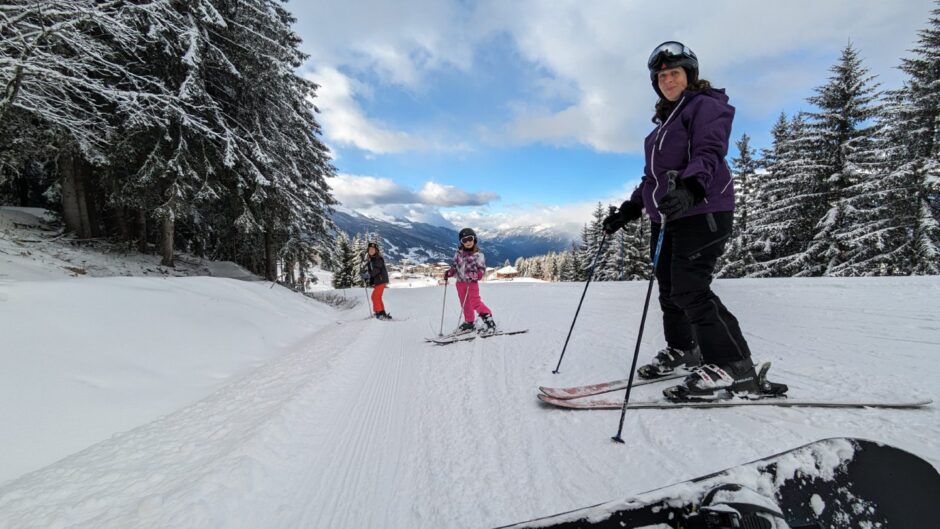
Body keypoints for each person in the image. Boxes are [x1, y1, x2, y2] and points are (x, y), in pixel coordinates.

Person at [602, 41, 768, 401]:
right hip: (668, 216)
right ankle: (685, 350)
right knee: (670, 288)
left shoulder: (704, 107)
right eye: (661, 76)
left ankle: (735, 366)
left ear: (689, 75)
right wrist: (630, 210)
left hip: (703, 210)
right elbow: (652, 179)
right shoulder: (662, 126)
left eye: (674, 73)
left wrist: (692, 187)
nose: (667, 79)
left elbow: (710, 151)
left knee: (690, 287)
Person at [443, 228, 497, 334]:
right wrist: (449, 272)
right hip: (460, 283)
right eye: (464, 240)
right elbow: (454, 267)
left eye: (470, 239)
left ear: (474, 239)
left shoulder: (479, 255)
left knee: (475, 302)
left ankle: (489, 321)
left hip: (471, 283)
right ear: (461, 242)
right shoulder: (458, 254)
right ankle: (469, 322)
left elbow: (481, 271)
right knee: (465, 303)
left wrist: (475, 275)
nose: (468, 242)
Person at [363, 242, 391, 320]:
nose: (371, 251)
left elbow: (377, 269)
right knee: (376, 297)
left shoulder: (378, 258)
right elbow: (370, 271)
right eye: (370, 249)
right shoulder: (370, 260)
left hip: (381, 280)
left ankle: (379, 313)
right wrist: (366, 276)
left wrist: (369, 275)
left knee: (375, 297)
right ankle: (381, 312)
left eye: (373, 249)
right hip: (378, 281)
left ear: (376, 250)